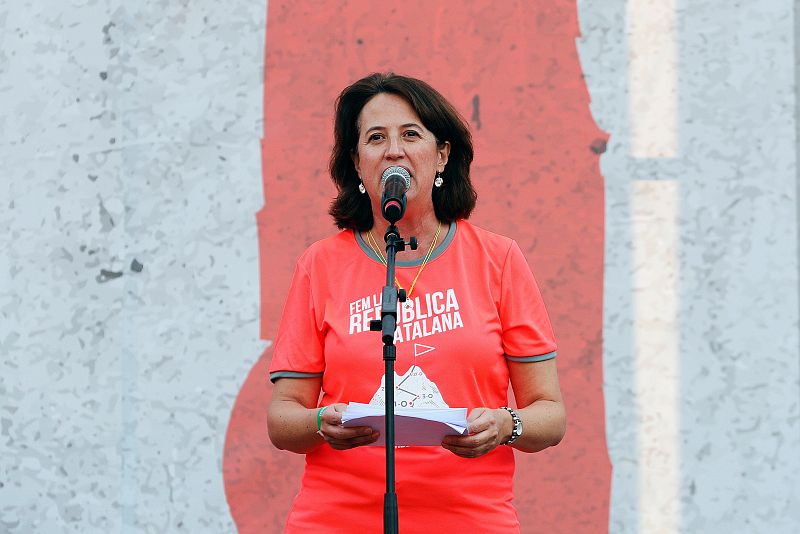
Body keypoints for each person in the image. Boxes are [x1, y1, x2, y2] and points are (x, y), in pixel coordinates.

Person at [267, 72, 566, 533]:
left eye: (411, 134)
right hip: (336, 518)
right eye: (375, 138)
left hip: (469, 518)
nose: (393, 150)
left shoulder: (498, 259)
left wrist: (506, 425)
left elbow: (549, 413)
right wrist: (321, 422)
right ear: (357, 161)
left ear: (442, 154)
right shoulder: (320, 264)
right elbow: (283, 418)